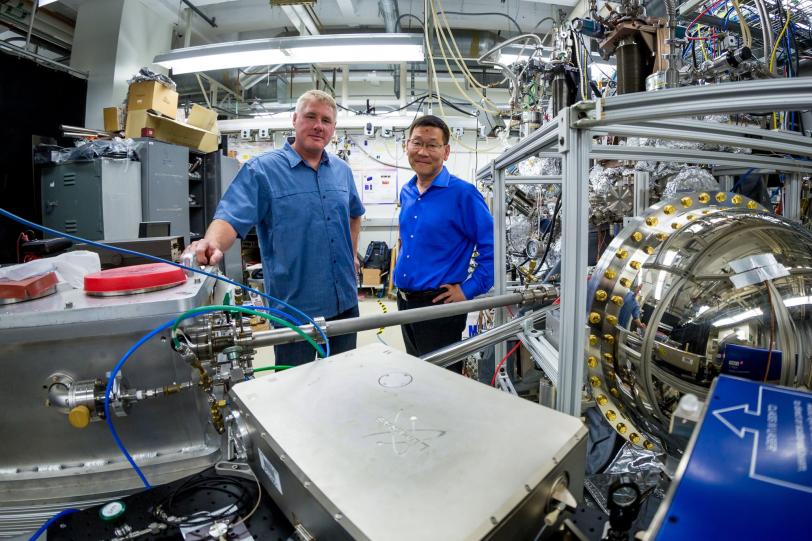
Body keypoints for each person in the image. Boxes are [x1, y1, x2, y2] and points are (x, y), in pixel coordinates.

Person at [186, 89, 365, 366]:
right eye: (311, 116)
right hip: (293, 308)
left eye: (327, 120)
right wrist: (211, 243)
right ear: (294, 119)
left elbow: (355, 214)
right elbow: (231, 216)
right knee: (295, 390)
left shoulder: (342, 171)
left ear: (333, 128)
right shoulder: (263, 171)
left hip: (344, 303)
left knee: (344, 383)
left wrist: (352, 254)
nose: (319, 126)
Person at [394, 115, 494, 370]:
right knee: (417, 372)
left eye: (432, 145)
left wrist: (468, 290)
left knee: (441, 383)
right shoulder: (407, 192)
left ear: (446, 151)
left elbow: (493, 249)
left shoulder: (464, 194)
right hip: (405, 303)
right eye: (417, 143)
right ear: (407, 145)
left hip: (439, 306)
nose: (423, 151)